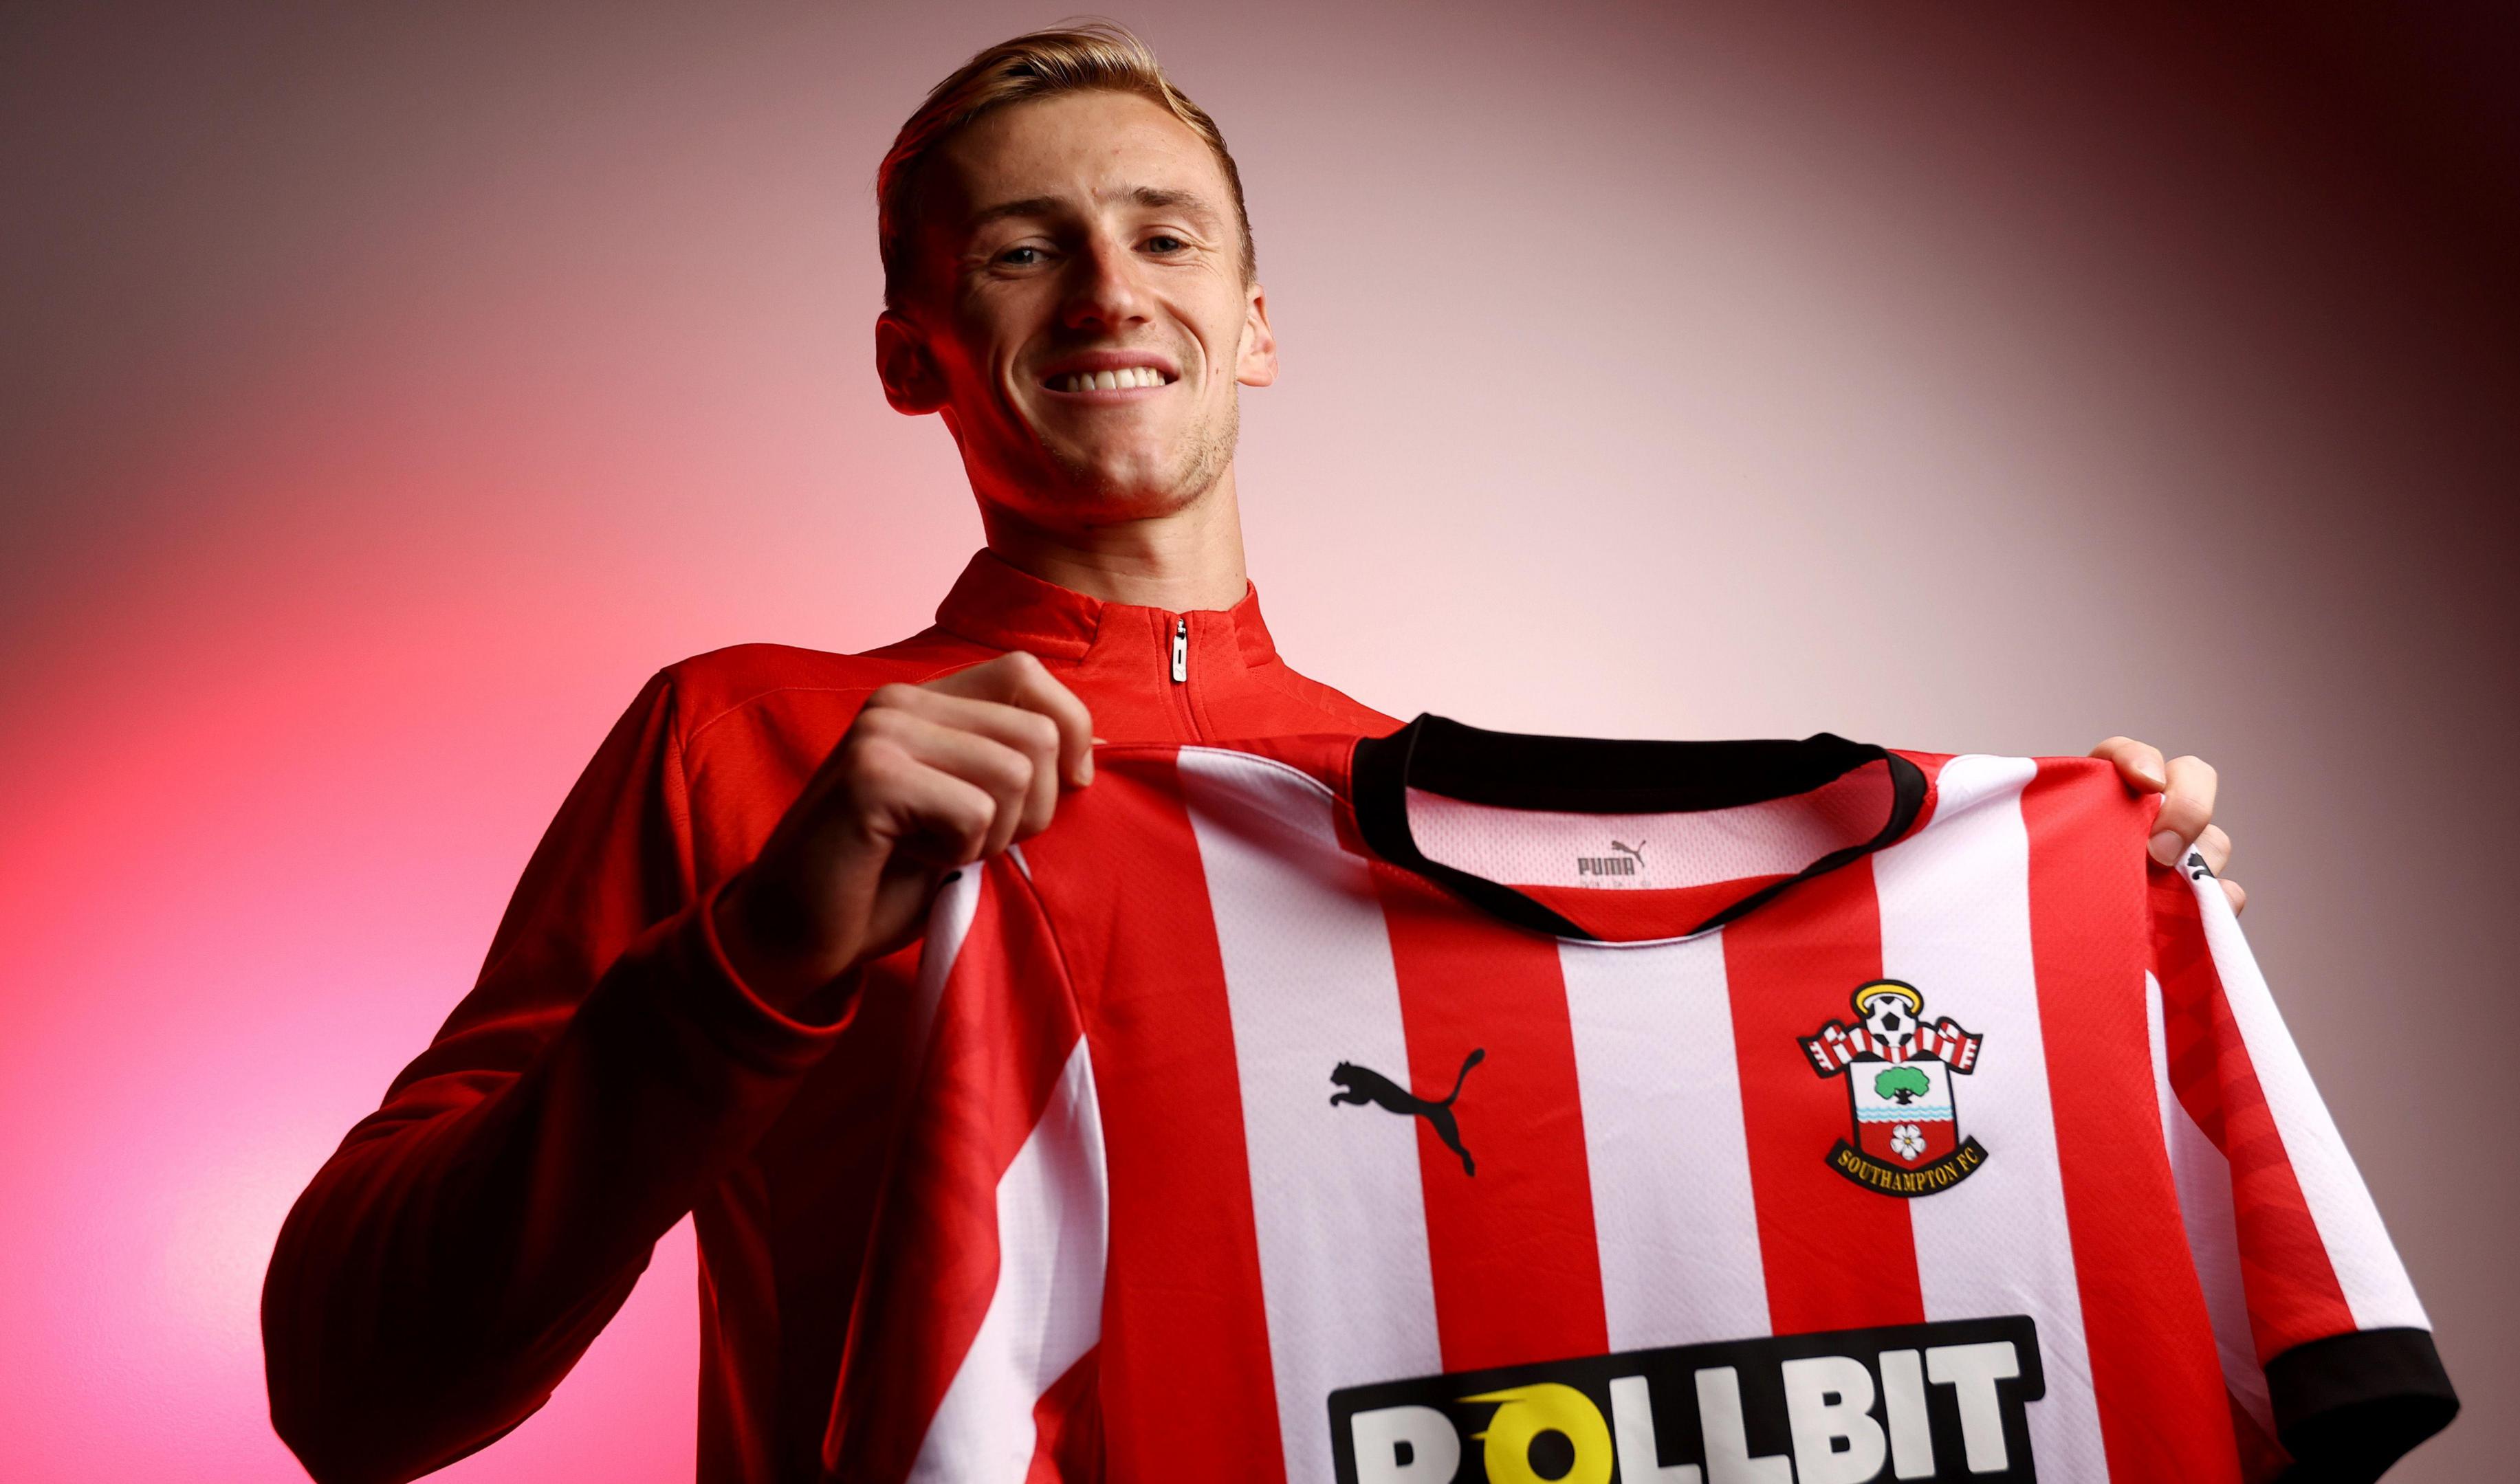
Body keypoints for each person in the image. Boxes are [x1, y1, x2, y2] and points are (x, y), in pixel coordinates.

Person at [261, 23, 2240, 1484]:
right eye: (1024, 250)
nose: (1112, 291)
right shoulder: (758, 741)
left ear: (1257, 322)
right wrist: (752, 965)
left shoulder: (1454, 818)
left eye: (1163, 238)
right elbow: (356, 1387)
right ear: (909, 347)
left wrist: (2074, 940)